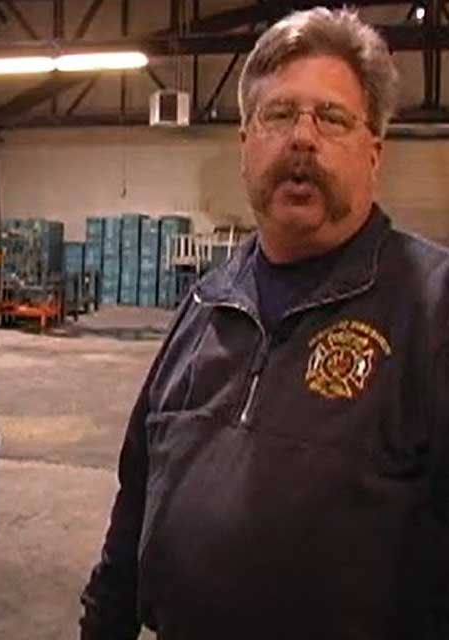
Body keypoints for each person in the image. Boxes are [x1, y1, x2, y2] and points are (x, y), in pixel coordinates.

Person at [81, 8, 449, 640]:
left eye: (332, 118)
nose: (302, 138)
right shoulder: (205, 305)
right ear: (246, 145)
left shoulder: (433, 308)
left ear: (374, 152)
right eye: (279, 115)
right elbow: (137, 495)